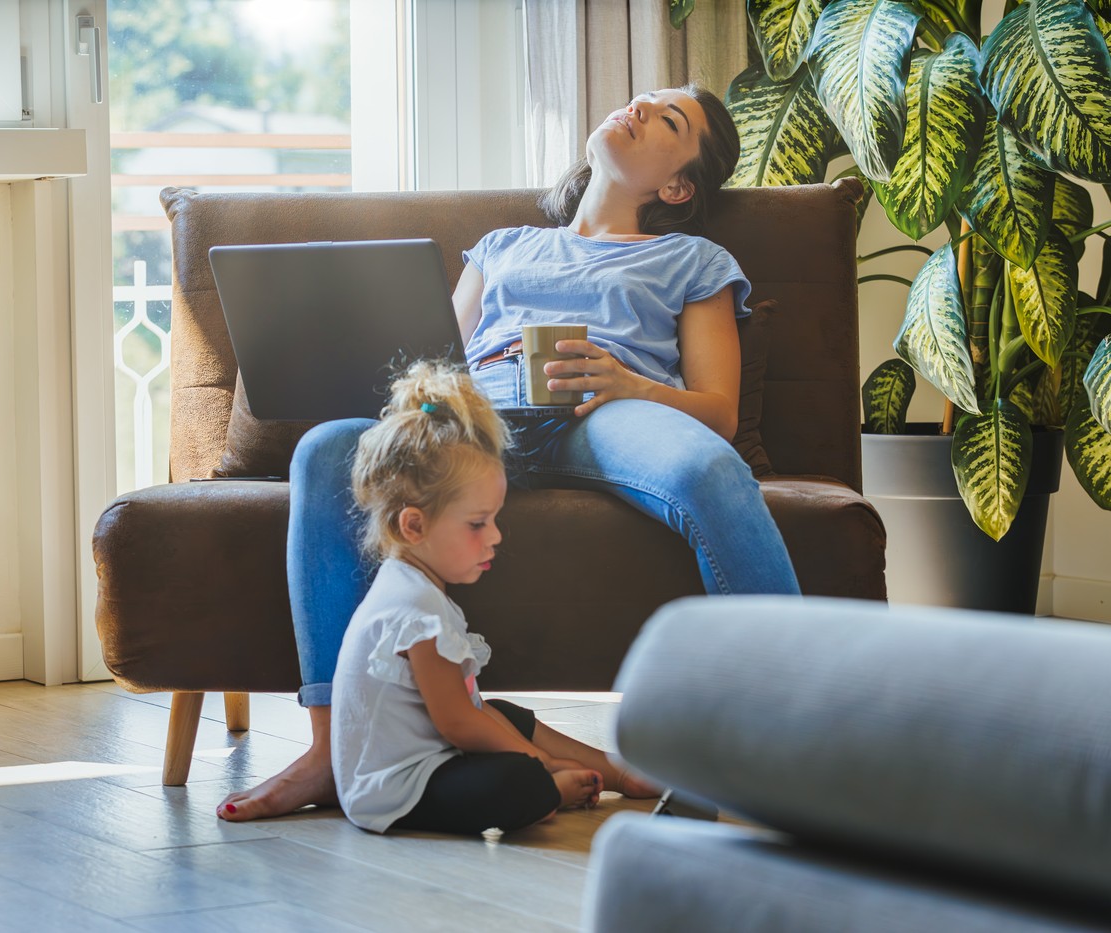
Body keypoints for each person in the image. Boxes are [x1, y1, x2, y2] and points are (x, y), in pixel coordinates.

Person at [218, 84, 799, 823]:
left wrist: (629, 382)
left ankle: (793, 739)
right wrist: (419, 406)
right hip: (485, 413)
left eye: (668, 119)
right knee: (327, 449)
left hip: (612, 410)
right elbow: (437, 363)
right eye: (643, 98)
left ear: (677, 184)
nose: (640, 108)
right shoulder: (504, 246)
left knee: (708, 469)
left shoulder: (691, 258)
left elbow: (716, 414)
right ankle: (335, 749)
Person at [330, 360, 656, 834]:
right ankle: (550, 792)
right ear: (414, 526)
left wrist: (525, 747)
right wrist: (541, 763)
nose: (496, 537)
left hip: (430, 760)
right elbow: (457, 726)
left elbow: (468, 718)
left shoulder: (412, 585)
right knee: (514, 776)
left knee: (504, 714)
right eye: (478, 523)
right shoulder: (415, 609)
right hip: (396, 791)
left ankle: (615, 771)